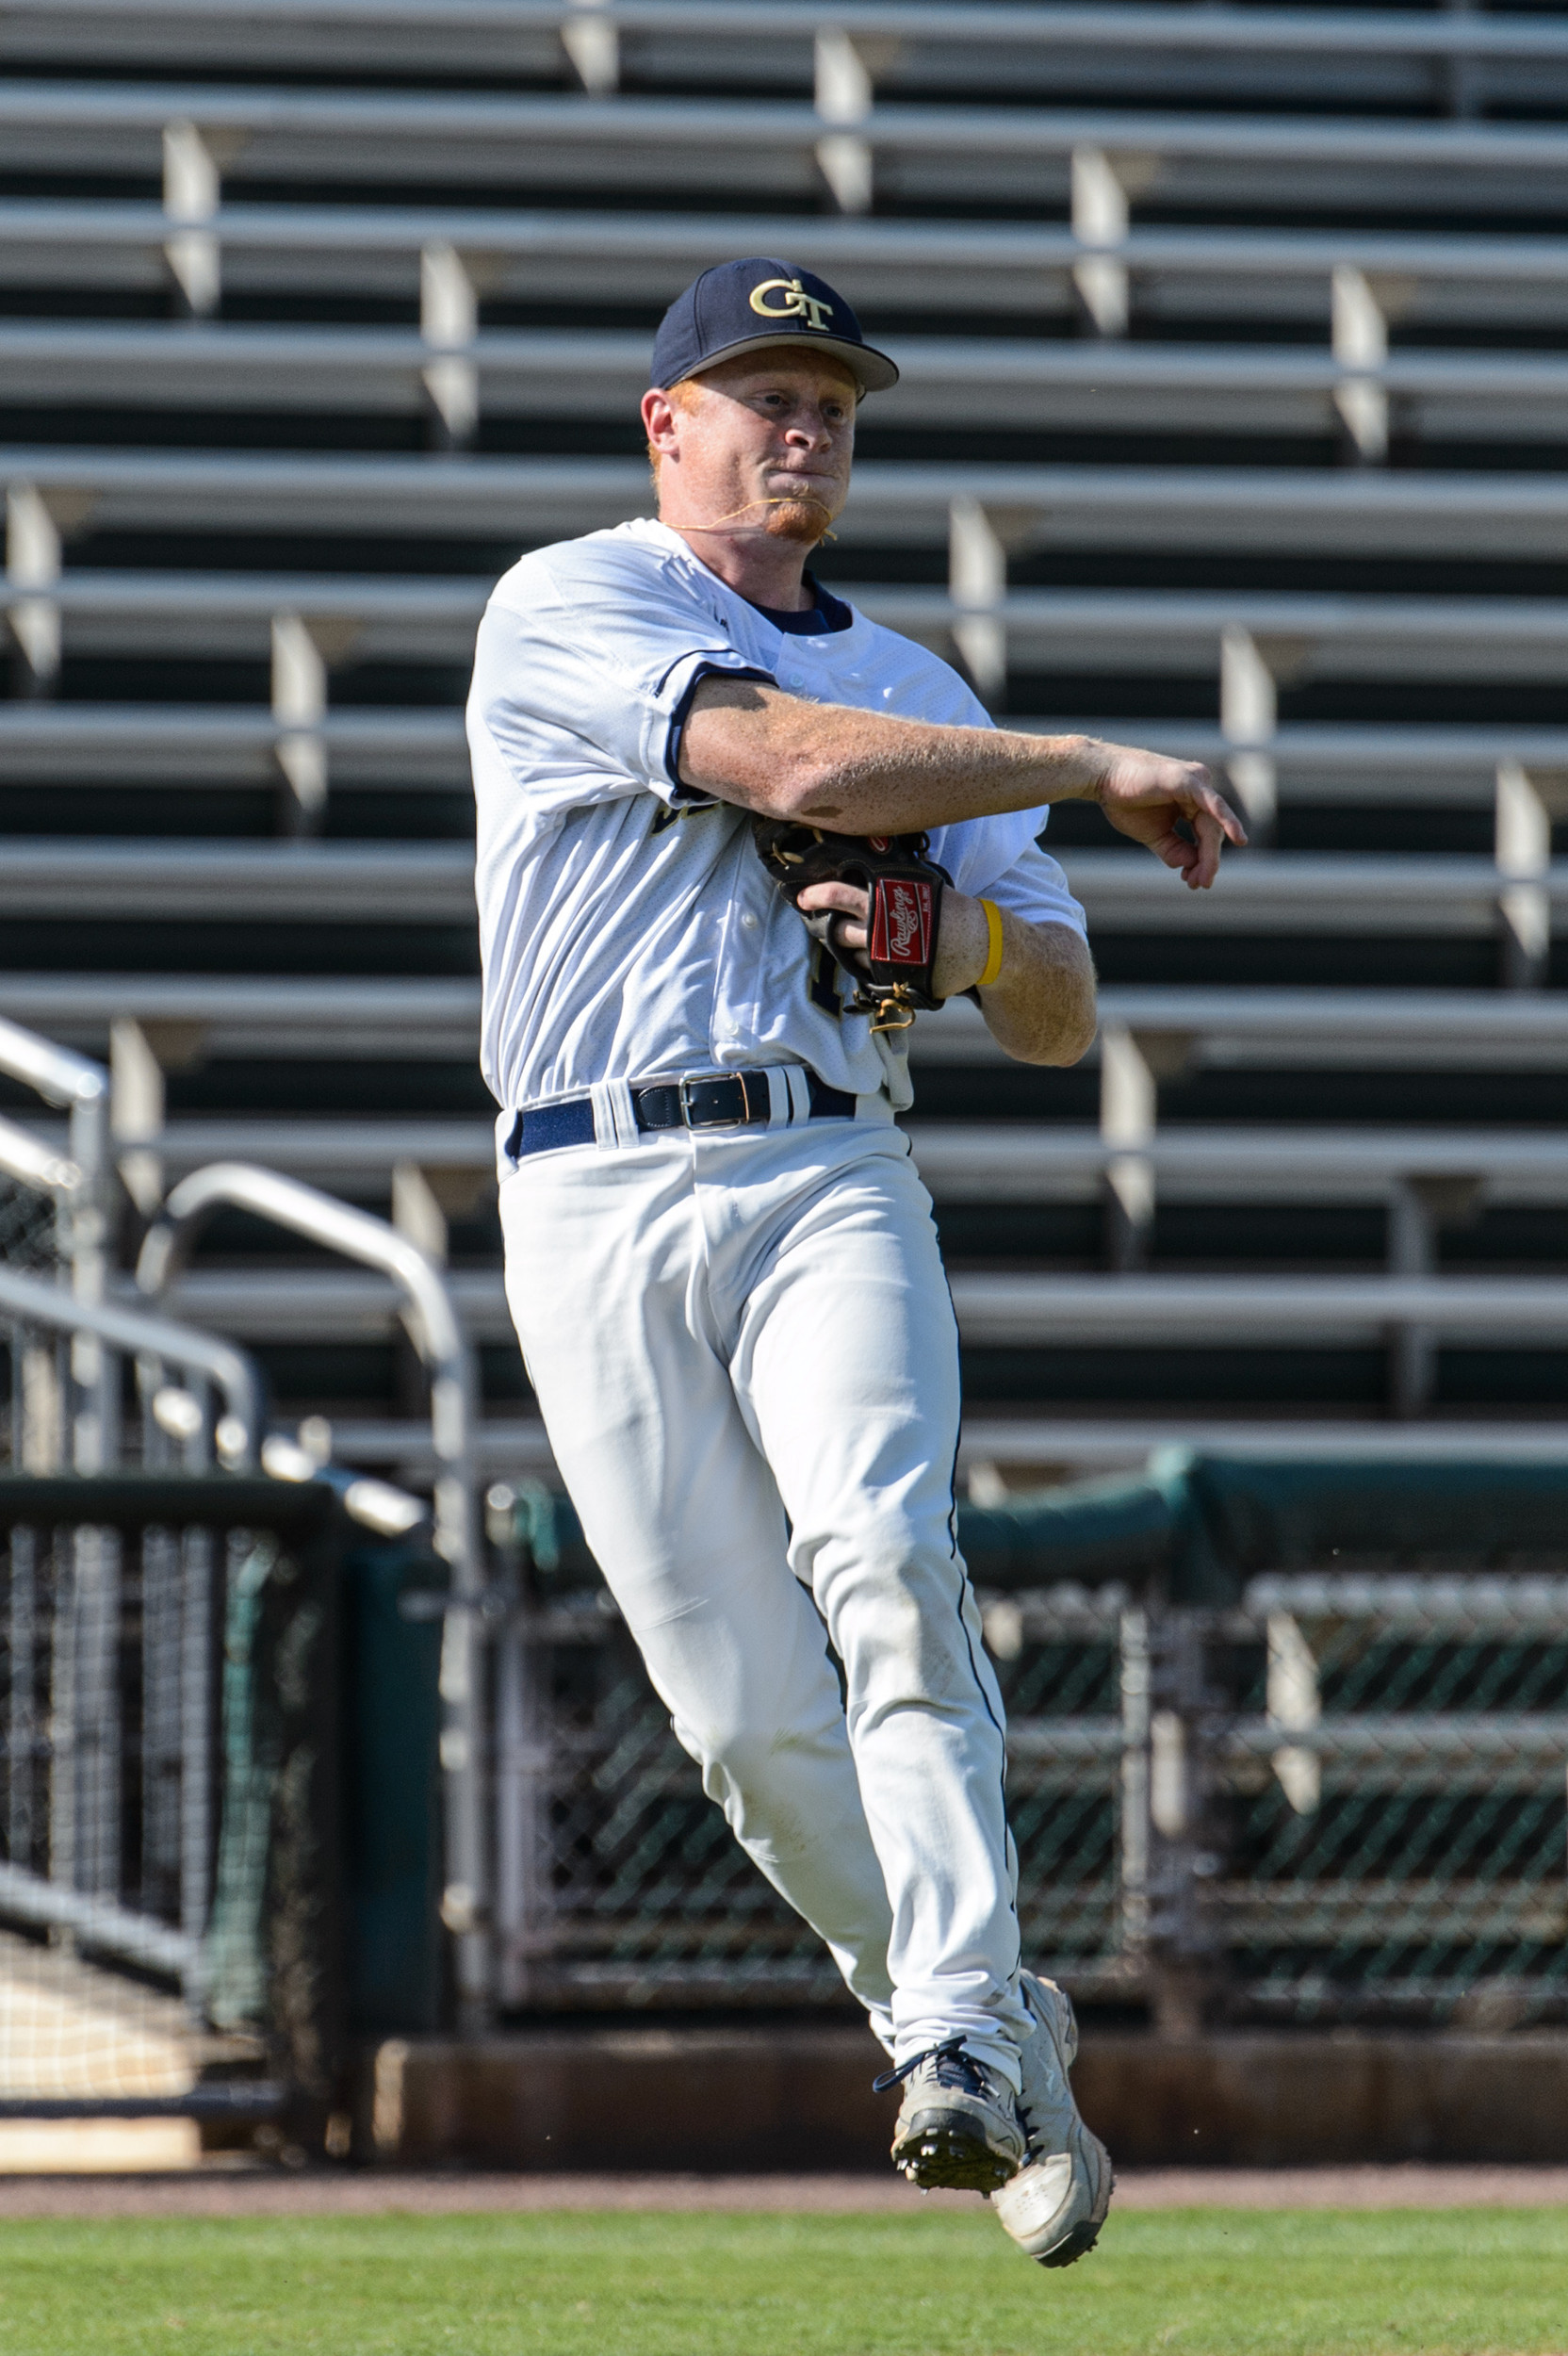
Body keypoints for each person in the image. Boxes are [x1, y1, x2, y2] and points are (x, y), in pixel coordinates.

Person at [467, 258, 1242, 2266]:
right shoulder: (576, 601)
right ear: (668, 425)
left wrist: (966, 947)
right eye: (759, 390)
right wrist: (1087, 761)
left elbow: (1059, 1005)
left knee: (885, 1559)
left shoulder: (918, 677)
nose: (801, 422)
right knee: (731, 1708)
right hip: (584, 1182)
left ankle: (959, 2038)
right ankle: (965, 2009)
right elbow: (792, 770)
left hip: (825, 1165)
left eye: (830, 396)